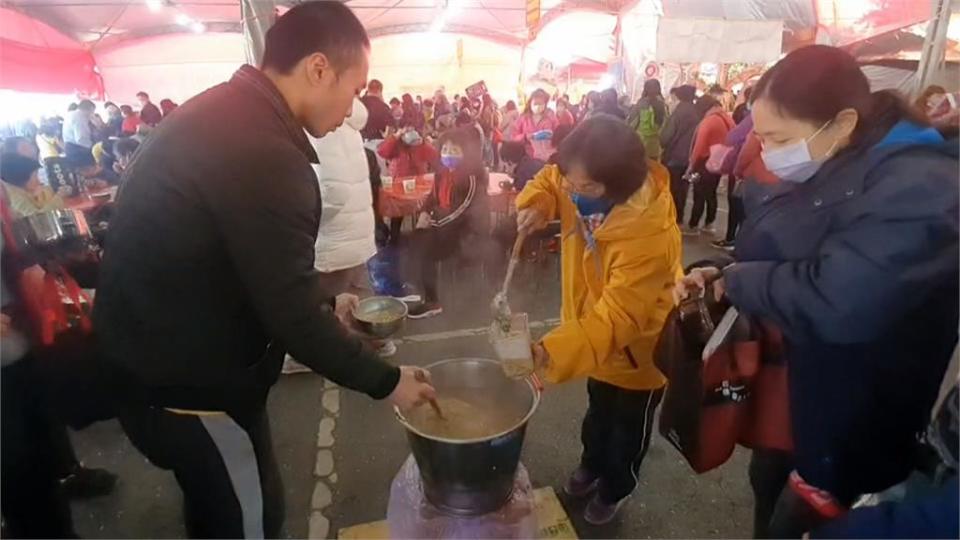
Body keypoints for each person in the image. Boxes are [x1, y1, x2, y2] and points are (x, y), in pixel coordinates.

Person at [93, 4, 435, 537]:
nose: (353, 109)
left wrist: (326, 304)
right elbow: (290, 314)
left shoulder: (224, 113)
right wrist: (388, 382)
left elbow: (245, 266)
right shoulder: (264, 153)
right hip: (191, 389)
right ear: (319, 68)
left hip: (153, 363)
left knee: (221, 503)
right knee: (247, 521)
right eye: (355, 87)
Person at [673, 44, 958, 538]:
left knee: (795, 519)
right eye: (760, 136)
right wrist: (722, 269)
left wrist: (741, 280)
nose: (764, 151)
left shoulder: (920, 186)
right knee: (769, 490)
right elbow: (795, 248)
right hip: (799, 391)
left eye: (777, 137)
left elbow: (839, 299)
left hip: (852, 418)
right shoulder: (844, 158)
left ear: (843, 122)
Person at [517, 115, 682, 525]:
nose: (573, 192)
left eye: (585, 188)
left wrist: (548, 351)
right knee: (597, 414)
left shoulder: (648, 234)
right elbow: (551, 180)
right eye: (573, 184)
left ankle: (616, 487)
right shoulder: (580, 181)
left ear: (619, 185)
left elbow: (620, 316)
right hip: (592, 336)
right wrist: (537, 204)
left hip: (637, 350)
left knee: (627, 428)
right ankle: (591, 465)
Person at [306, 97, 394, 359]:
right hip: (357, 229)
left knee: (323, 300)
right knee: (358, 291)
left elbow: (332, 191)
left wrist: (311, 224)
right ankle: (375, 340)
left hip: (333, 234)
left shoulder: (323, 127)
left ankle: (310, 354)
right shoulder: (350, 125)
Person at [407, 126, 490, 319]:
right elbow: (432, 198)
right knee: (415, 240)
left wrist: (433, 223)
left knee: (424, 246)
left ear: (465, 153)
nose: (448, 154)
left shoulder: (471, 178)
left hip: (465, 234)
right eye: (445, 150)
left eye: (454, 150)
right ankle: (423, 287)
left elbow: (461, 211)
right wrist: (424, 213)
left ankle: (432, 301)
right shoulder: (441, 173)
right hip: (444, 227)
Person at [377, 123, 439, 245]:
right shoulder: (395, 144)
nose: (410, 131)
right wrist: (396, 136)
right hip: (399, 184)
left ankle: (419, 238)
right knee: (397, 211)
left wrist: (424, 142)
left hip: (418, 183)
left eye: (412, 129)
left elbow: (434, 155)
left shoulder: (420, 145)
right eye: (407, 129)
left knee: (423, 207)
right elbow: (382, 152)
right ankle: (394, 240)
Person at [684, 94, 733, 235]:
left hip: (705, 161)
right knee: (711, 193)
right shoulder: (727, 118)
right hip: (719, 161)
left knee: (699, 194)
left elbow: (699, 146)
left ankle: (693, 225)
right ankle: (709, 223)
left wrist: (691, 165)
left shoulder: (709, 121)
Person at [712, 86, 754, 250]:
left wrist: (736, 170)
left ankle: (733, 240)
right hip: (757, 174)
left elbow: (734, 138)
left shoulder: (754, 118)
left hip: (743, 173)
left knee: (737, 207)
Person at [659, 85, 698, 225]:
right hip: (690, 157)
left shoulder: (678, 112)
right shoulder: (697, 112)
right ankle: (679, 217)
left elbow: (665, 137)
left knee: (671, 189)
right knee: (683, 189)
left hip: (674, 156)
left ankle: (670, 217)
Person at [1, 153, 68, 217]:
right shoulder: (14, 197)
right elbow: (38, 218)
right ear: (23, 178)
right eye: (35, 177)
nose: (38, 181)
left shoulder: (18, 189)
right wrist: (59, 197)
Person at [627, 78, 668, 160]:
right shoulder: (663, 105)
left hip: (641, 143)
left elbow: (631, 123)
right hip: (656, 145)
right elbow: (666, 125)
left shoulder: (641, 104)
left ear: (645, 89)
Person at [514, 89, 558, 161]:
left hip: (546, 157)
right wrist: (525, 137)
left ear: (545, 104)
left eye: (541, 103)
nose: (538, 106)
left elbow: (558, 132)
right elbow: (514, 136)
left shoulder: (551, 116)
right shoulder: (523, 118)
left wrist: (551, 136)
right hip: (527, 156)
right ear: (530, 103)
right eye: (535, 103)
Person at [62, 99, 95, 164]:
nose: (92, 114)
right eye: (92, 111)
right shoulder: (80, 117)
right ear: (89, 109)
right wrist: (93, 147)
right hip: (78, 150)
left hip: (70, 148)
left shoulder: (71, 114)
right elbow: (81, 138)